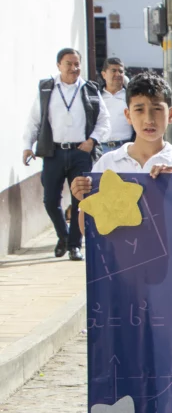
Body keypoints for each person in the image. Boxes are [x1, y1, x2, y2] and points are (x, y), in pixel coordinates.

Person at [70, 73, 172, 413]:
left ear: (171, 113)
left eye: (157, 110)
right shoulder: (108, 167)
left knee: (165, 371)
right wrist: (80, 200)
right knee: (126, 363)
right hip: (122, 288)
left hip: (170, 287)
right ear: (126, 114)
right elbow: (89, 231)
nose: (149, 118)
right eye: (140, 110)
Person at [22, 47, 110, 261]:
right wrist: (27, 145)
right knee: (50, 200)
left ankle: (74, 245)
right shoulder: (47, 88)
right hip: (54, 152)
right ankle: (63, 236)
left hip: (81, 152)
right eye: (69, 64)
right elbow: (35, 120)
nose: (74, 68)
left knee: (81, 200)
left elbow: (104, 122)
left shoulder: (89, 89)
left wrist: (92, 141)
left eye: (77, 64)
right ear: (59, 65)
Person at [98, 57, 133, 156]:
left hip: (126, 148)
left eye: (121, 71)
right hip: (101, 149)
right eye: (113, 71)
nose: (117, 74)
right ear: (104, 74)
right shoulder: (96, 96)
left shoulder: (131, 96)